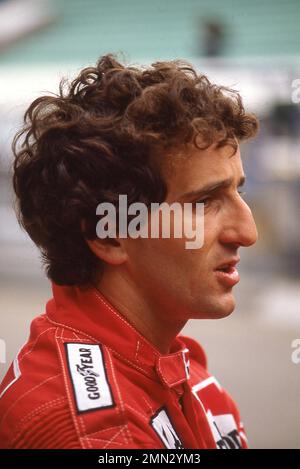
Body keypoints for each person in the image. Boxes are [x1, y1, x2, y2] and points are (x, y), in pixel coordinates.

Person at [0, 54, 258, 449]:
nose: (247, 232)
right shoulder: (92, 431)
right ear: (110, 235)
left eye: (237, 191)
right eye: (203, 202)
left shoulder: (180, 367)